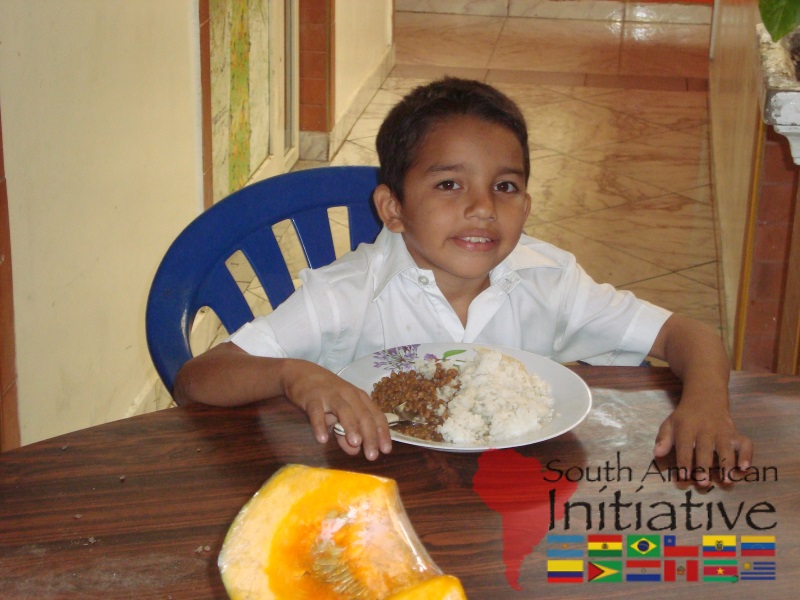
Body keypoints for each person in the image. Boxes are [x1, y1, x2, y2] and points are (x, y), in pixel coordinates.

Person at [174, 77, 752, 485]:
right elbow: (199, 380)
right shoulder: (347, 295)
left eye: (504, 187)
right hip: (374, 497)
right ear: (393, 209)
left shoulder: (549, 280)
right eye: (449, 184)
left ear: (526, 202)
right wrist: (294, 374)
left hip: (520, 497)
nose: (482, 208)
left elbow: (690, 335)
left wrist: (706, 405)